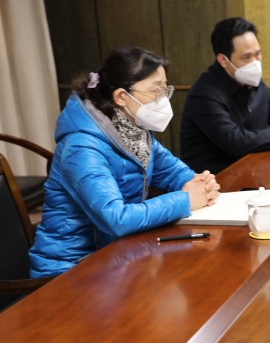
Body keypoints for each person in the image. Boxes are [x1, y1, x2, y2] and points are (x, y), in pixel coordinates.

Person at [28, 47, 220, 277]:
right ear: (121, 97)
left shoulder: (134, 129)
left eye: (165, 89)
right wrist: (185, 199)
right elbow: (116, 218)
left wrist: (201, 184)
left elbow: (172, 171)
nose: (163, 99)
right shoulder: (81, 147)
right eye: (155, 91)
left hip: (118, 253)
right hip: (71, 268)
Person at [181, 17, 270, 173]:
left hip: (253, 170)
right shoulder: (204, 94)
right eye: (247, 57)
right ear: (223, 60)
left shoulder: (251, 80)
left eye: (258, 54)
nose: (255, 62)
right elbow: (236, 142)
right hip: (217, 180)